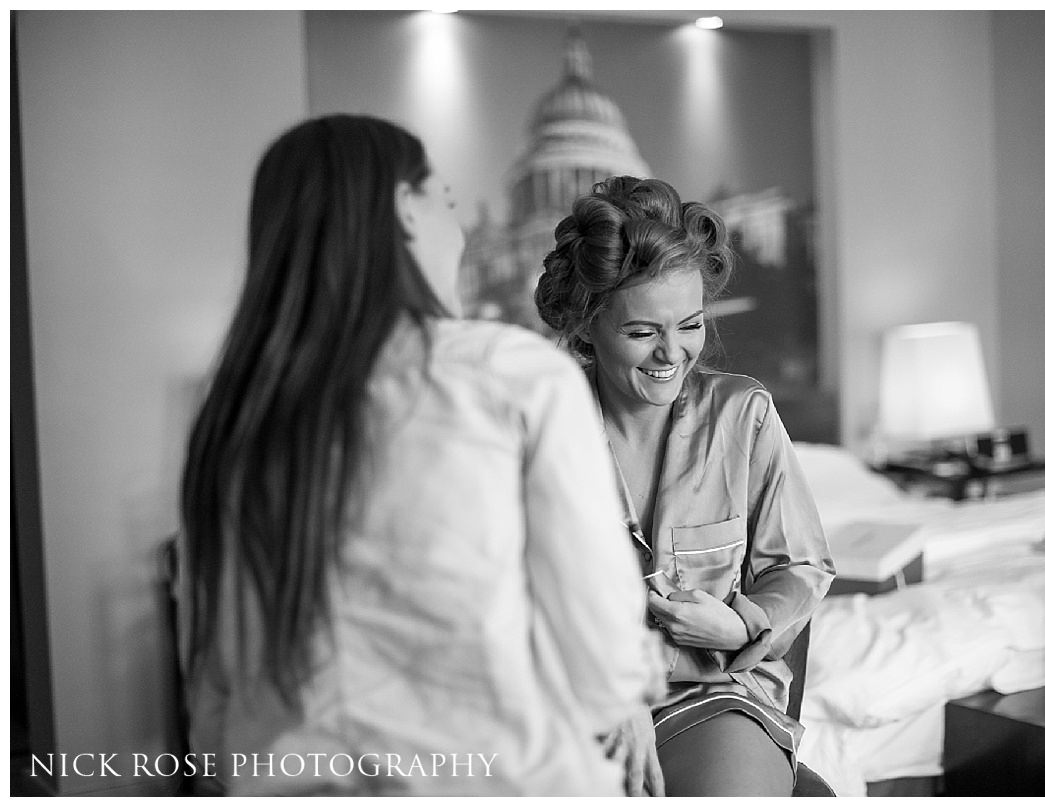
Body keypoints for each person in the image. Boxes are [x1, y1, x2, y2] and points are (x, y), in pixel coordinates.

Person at [177, 115, 663, 796]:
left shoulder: (235, 413)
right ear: (408, 209)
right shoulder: (514, 375)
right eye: (449, 203)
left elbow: (213, 679)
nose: (460, 230)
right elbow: (602, 655)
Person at [534, 176, 837, 796]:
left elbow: (801, 566)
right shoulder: (536, 430)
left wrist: (743, 625)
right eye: (642, 332)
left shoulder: (743, 415)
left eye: (691, 325)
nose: (672, 353)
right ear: (585, 326)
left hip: (712, 693)